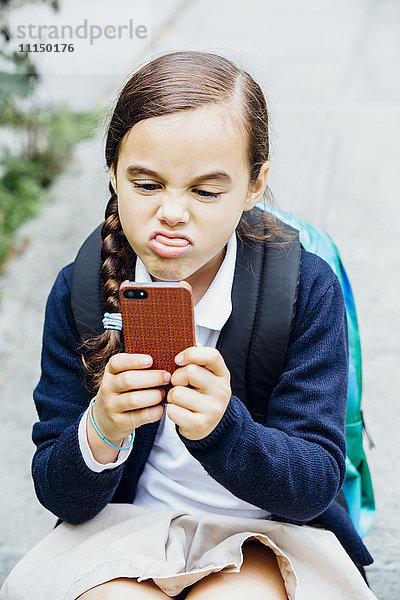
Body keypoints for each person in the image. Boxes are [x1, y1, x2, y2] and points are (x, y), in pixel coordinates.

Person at [0, 50, 377, 600]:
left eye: (205, 191)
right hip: (124, 532)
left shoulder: (301, 288)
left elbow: (314, 484)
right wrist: (103, 427)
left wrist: (225, 430)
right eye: (147, 184)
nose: (172, 212)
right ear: (113, 173)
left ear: (254, 184)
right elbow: (60, 495)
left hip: (269, 536)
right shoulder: (81, 289)